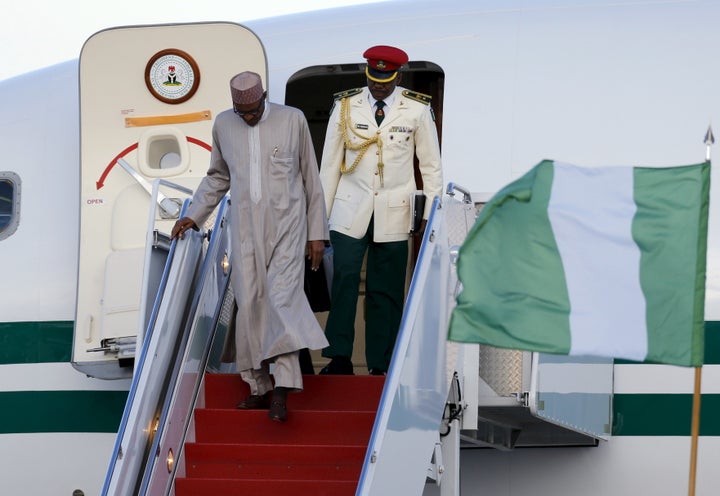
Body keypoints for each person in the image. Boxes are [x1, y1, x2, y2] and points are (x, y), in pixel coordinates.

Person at [171, 71, 329, 422]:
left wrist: (316, 233)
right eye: (242, 113)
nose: (248, 118)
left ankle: (284, 388)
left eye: (253, 111)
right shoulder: (225, 125)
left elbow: (310, 179)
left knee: (281, 300)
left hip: (289, 226)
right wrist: (195, 215)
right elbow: (218, 176)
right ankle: (258, 387)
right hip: (243, 230)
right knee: (251, 303)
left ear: (264, 98)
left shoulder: (293, 120)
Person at [318, 45, 443, 376]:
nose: (379, 86)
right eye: (374, 79)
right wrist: (317, 219)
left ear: (398, 76)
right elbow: (329, 166)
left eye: (386, 80)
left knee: (385, 290)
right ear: (367, 73)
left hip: (395, 210)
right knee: (343, 279)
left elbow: (430, 168)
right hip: (348, 210)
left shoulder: (416, 109)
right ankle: (339, 356)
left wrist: (430, 214)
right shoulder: (345, 104)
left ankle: (382, 364)